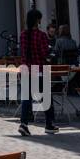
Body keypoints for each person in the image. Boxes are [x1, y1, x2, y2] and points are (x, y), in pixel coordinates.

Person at [18, 8, 57, 137]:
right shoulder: (41, 35)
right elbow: (44, 53)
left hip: (26, 69)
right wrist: (50, 55)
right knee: (46, 97)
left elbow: (23, 52)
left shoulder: (23, 34)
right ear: (37, 20)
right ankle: (49, 124)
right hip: (39, 69)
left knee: (26, 98)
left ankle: (24, 124)